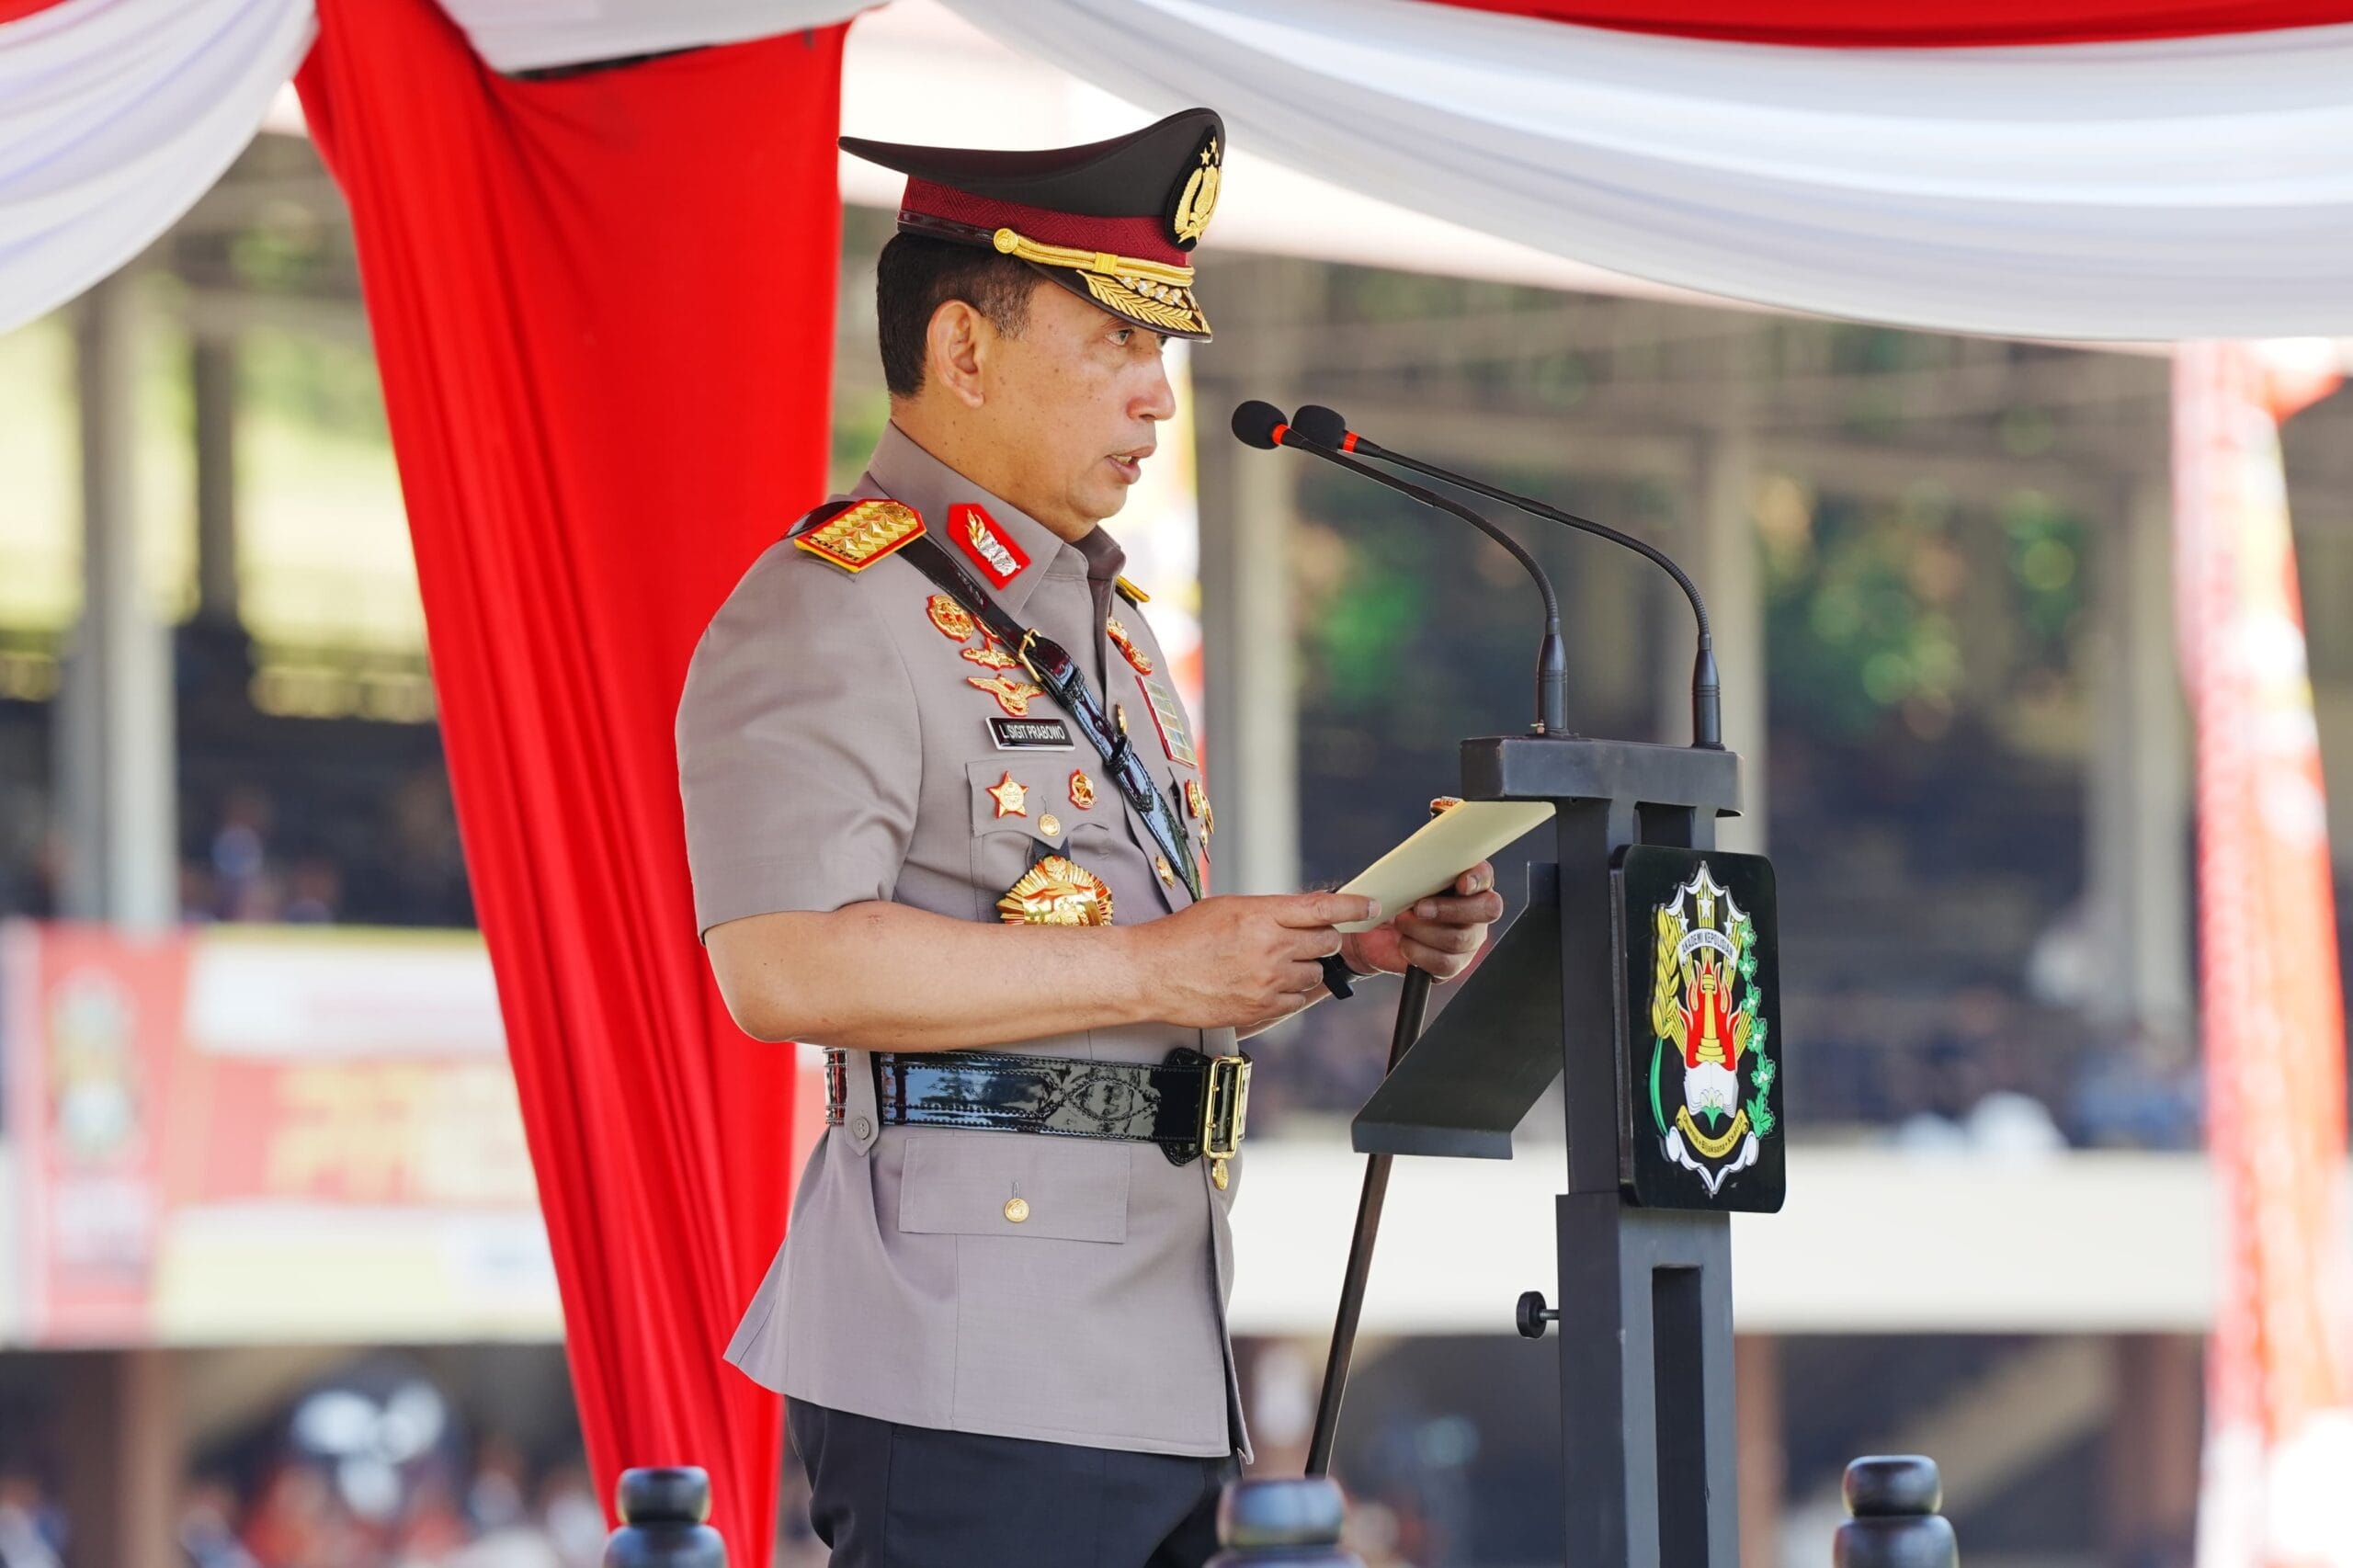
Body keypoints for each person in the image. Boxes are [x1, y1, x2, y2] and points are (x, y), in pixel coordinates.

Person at [676, 107, 1503, 1568]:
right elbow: (785, 964)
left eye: (1161, 350)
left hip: (1155, 1344)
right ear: (963, 348)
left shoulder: (1109, 627)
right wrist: (1157, 966)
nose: (1157, 398)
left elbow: (1126, 976)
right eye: (1118, 342)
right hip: (965, 1358)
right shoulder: (830, 608)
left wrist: (1342, 948)